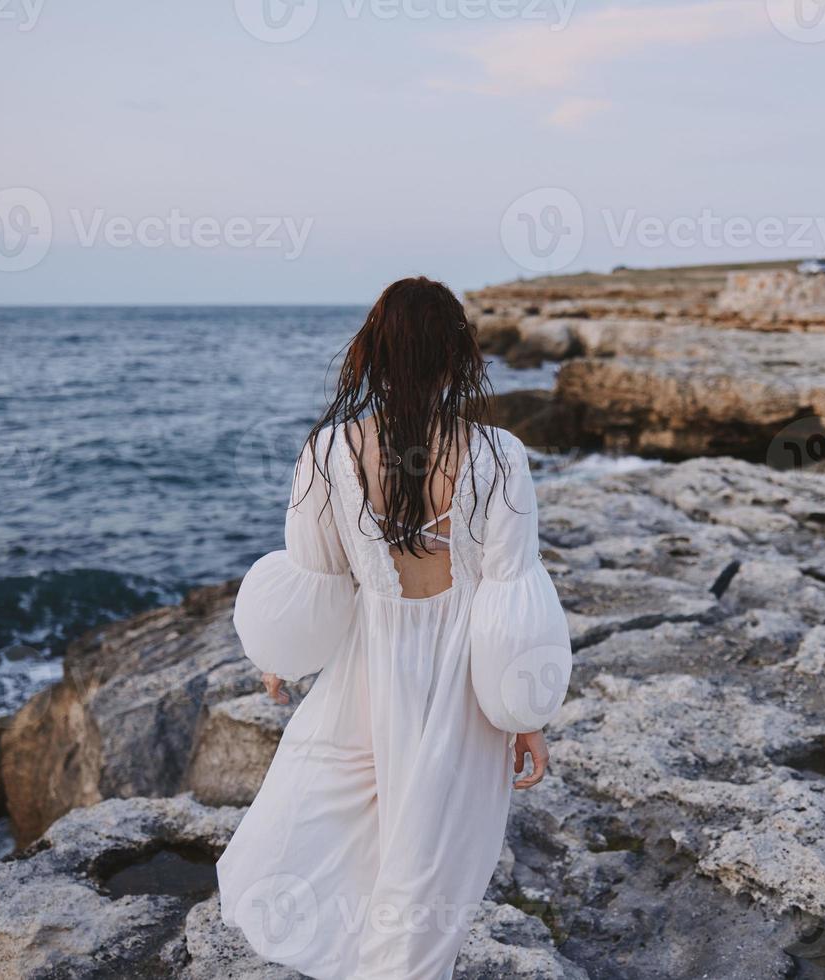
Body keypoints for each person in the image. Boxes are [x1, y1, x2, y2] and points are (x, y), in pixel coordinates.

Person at [216, 277, 571, 979]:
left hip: (364, 677)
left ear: (371, 356)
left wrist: (282, 655)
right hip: (462, 687)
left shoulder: (327, 453)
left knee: (329, 842)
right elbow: (510, 593)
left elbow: (315, 581)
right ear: (457, 358)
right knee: (428, 879)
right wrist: (525, 713)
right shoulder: (500, 455)